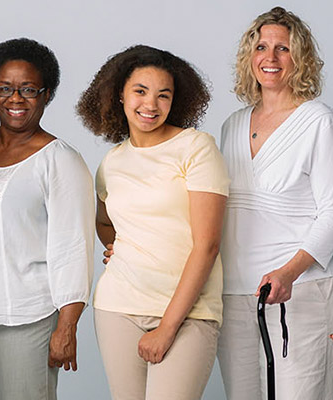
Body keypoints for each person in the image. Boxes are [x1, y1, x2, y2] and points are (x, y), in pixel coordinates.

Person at [77, 44, 229, 400]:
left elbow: (207, 245)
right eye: (140, 92)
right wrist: (121, 247)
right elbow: (104, 222)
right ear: (119, 96)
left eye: (164, 95)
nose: (151, 104)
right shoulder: (111, 163)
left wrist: (168, 327)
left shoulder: (196, 148)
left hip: (190, 312)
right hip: (118, 308)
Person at [215, 7, 333, 399]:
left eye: (283, 49)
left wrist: (289, 272)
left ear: (300, 59)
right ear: (249, 56)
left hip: (301, 289)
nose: (270, 58)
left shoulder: (319, 121)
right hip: (235, 291)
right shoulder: (233, 125)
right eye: (261, 47)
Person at [0, 38, 93, 400]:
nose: (15, 99)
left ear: (47, 94)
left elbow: (73, 247)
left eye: (29, 89)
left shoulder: (59, 159)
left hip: (26, 318)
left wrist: (67, 326)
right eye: (5, 89)